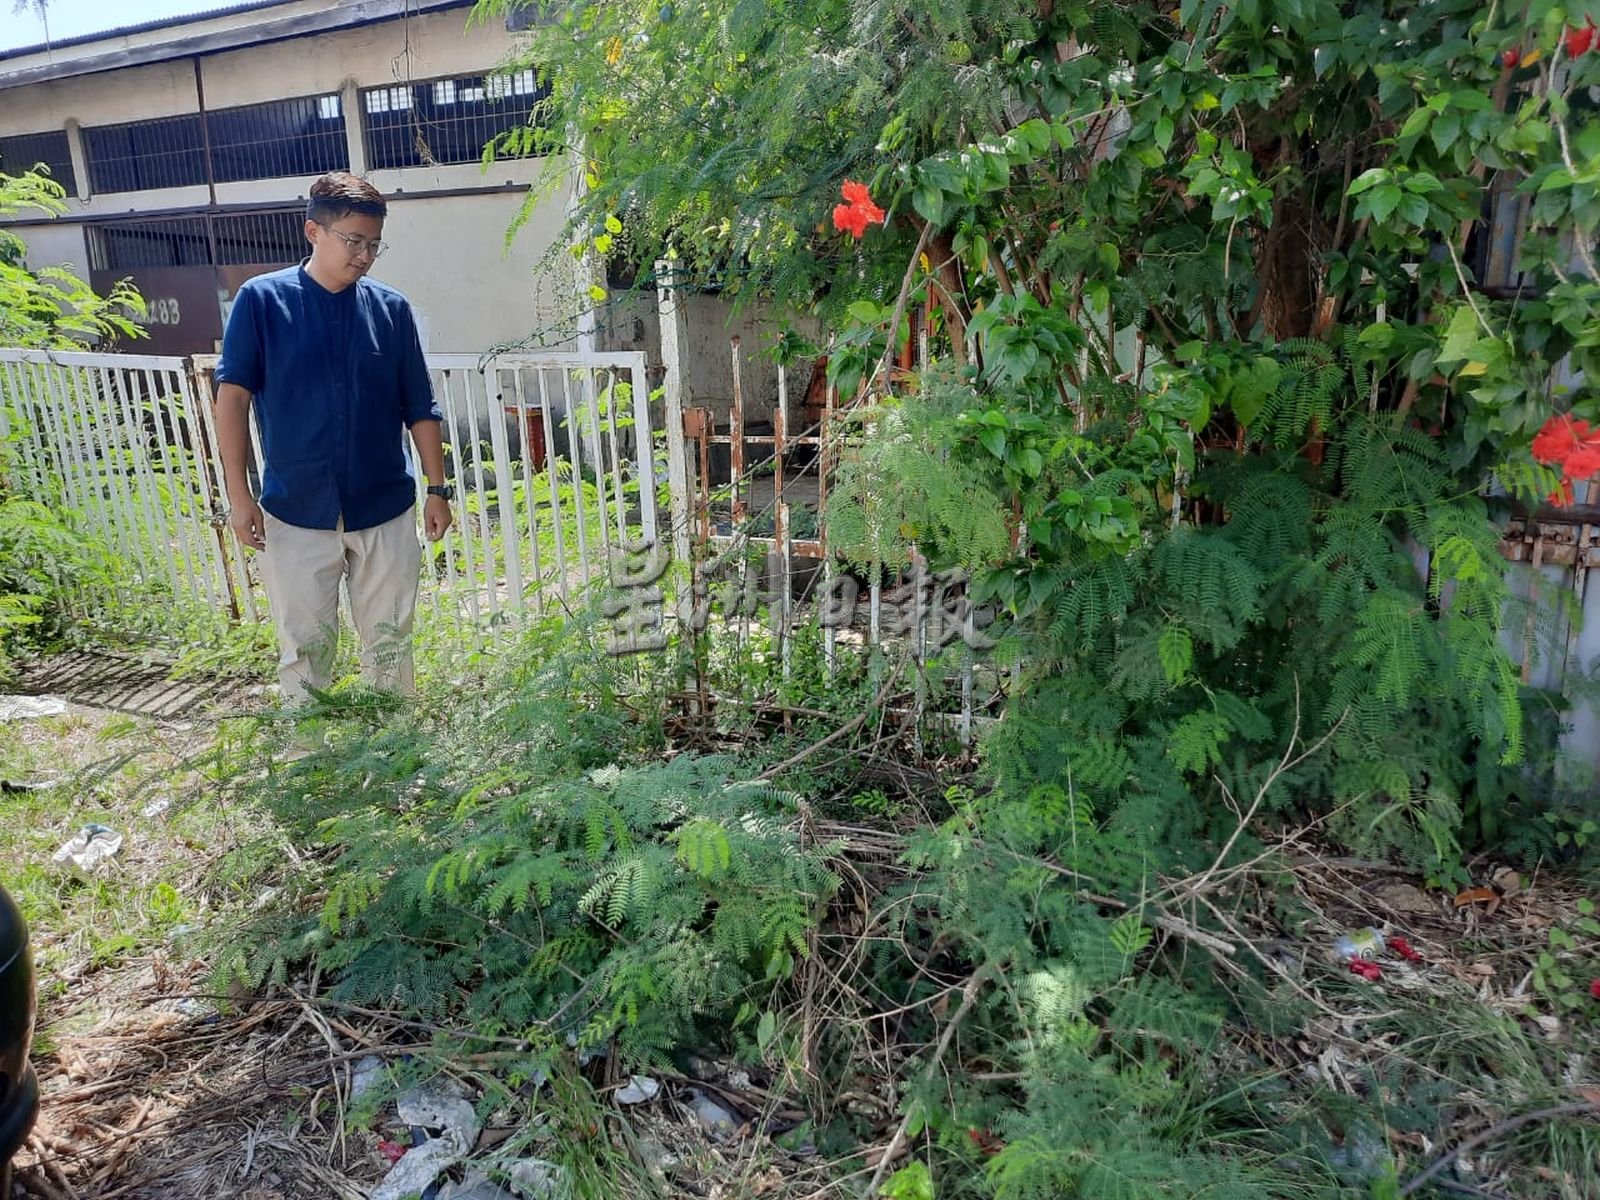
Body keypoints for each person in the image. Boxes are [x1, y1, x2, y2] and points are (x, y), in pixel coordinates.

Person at [213, 171, 454, 707]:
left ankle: (394, 757)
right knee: (304, 649)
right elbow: (232, 400)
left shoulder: (390, 311)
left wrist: (437, 489)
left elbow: (419, 405)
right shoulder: (263, 302)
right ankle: (309, 764)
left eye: (373, 244)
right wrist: (239, 495)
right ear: (312, 232)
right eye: (353, 241)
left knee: (390, 648)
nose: (364, 255)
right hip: (295, 510)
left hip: (384, 508)